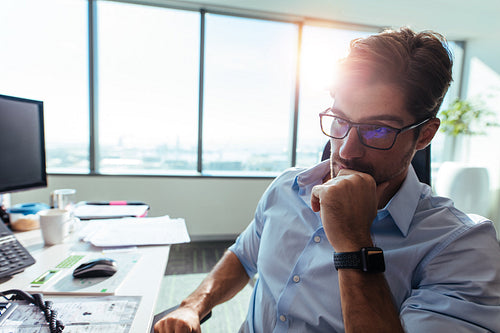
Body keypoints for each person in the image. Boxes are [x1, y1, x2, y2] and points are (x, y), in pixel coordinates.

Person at [154, 27, 500, 332]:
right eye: (340, 120)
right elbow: (244, 256)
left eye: (378, 129)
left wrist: (354, 245)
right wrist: (192, 305)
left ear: (424, 135)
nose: (347, 151)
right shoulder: (288, 188)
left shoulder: (461, 247)